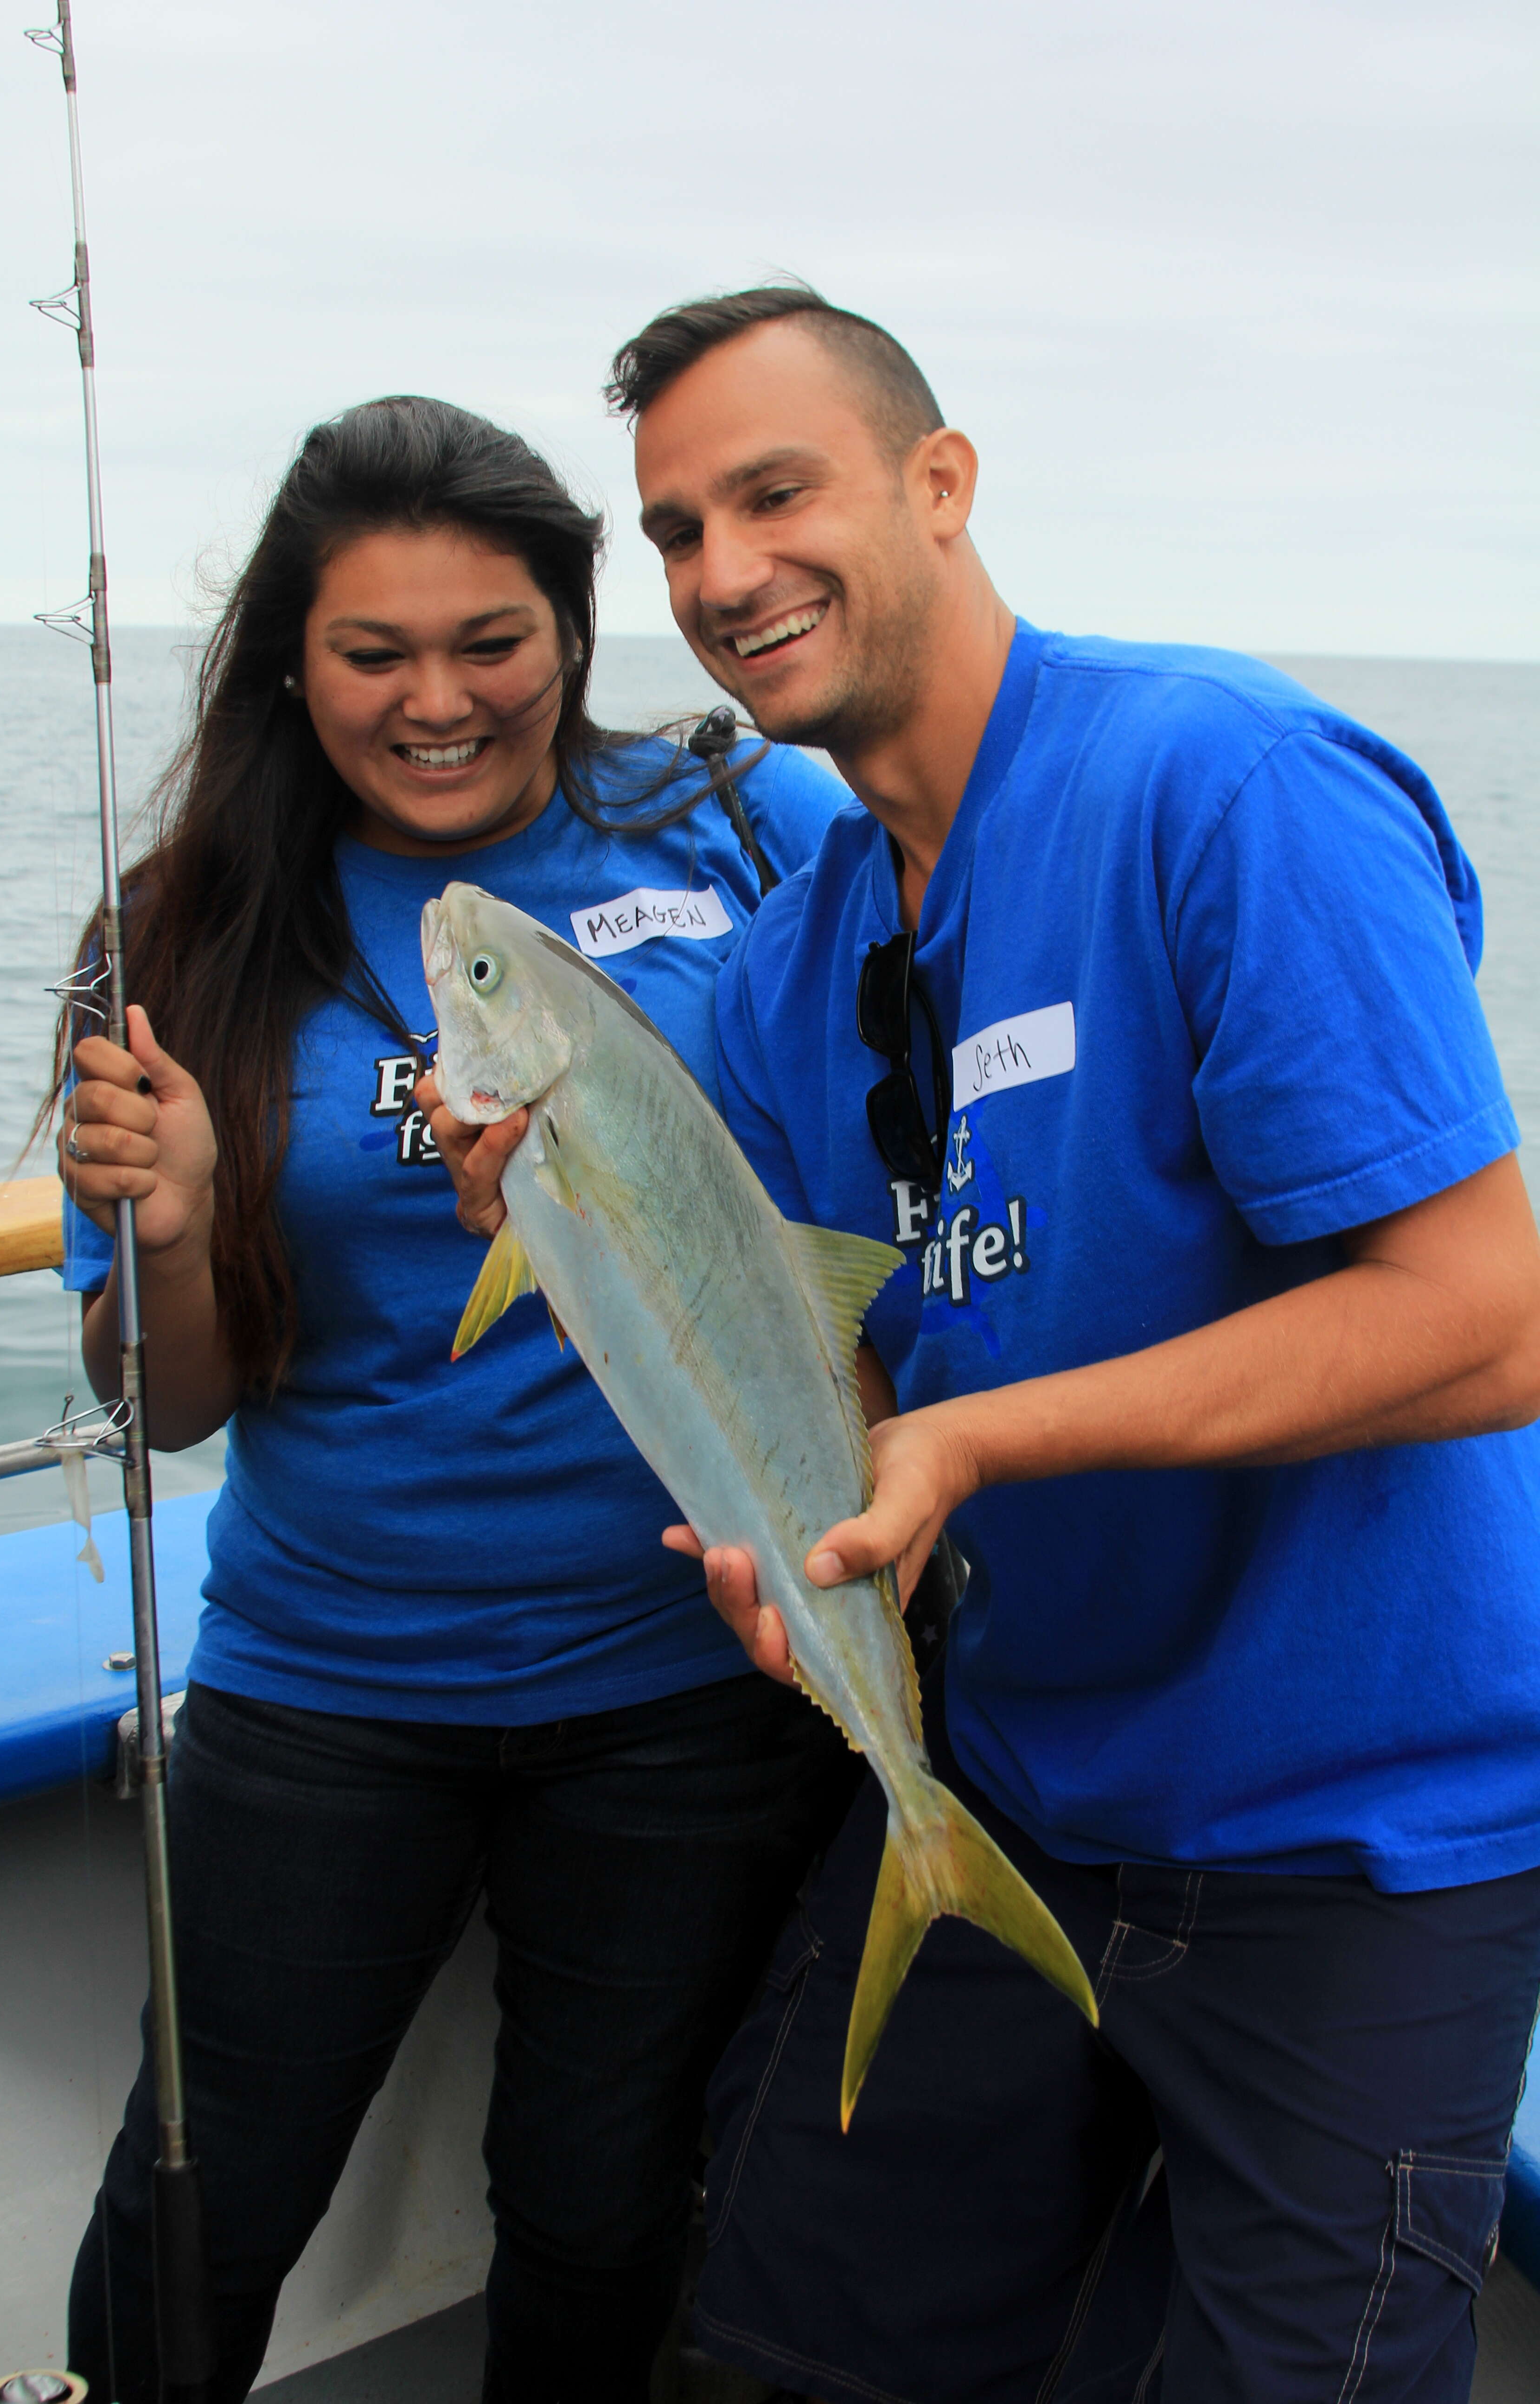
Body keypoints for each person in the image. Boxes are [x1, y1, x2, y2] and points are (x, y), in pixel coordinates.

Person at [595, 284, 1540, 2401]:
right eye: (673, 533)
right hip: (1018, 1778)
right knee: (780, 2342)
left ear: (941, 485)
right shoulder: (789, 966)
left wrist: (978, 1451)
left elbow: (1487, 1321)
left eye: (775, 493)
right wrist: (813, 1527)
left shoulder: (1222, 788)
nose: (724, 573)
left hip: (1363, 1831)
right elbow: (835, 1375)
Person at [45, 393, 855, 2404]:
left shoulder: (747, 828)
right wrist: (177, 1231)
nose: (438, 703)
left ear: (575, 636)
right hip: (328, 1687)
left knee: (598, 2209)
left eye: (491, 643)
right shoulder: (173, 935)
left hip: (688, 1685)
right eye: (372, 654)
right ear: (287, 664)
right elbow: (170, 1412)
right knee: (199, 2198)